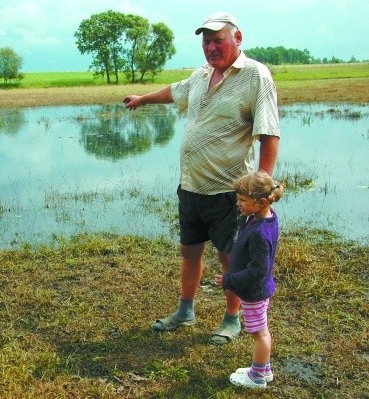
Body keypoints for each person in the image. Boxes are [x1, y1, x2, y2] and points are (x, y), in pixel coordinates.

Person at [123, 12, 280, 344]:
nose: (211, 47)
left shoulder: (256, 76)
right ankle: (185, 310)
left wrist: (262, 185)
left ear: (237, 39)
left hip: (228, 192)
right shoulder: (201, 74)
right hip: (191, 187)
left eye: (218, 40)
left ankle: (232, 318)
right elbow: (174, 91)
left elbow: (269, 133)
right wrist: (142, 99)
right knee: (189, 252)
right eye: (206, 41)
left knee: (231, 257)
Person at [214, 171, 284, 388]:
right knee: (260, 330)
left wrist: (229, 280)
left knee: (259, 333)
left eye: (243, 200)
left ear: (261, 201)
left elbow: (257, 272)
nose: (238, 204)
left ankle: (256, 377)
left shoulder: (260, 233)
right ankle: (264, 369)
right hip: (258, 290)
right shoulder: (266, 217)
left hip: (255, 292)